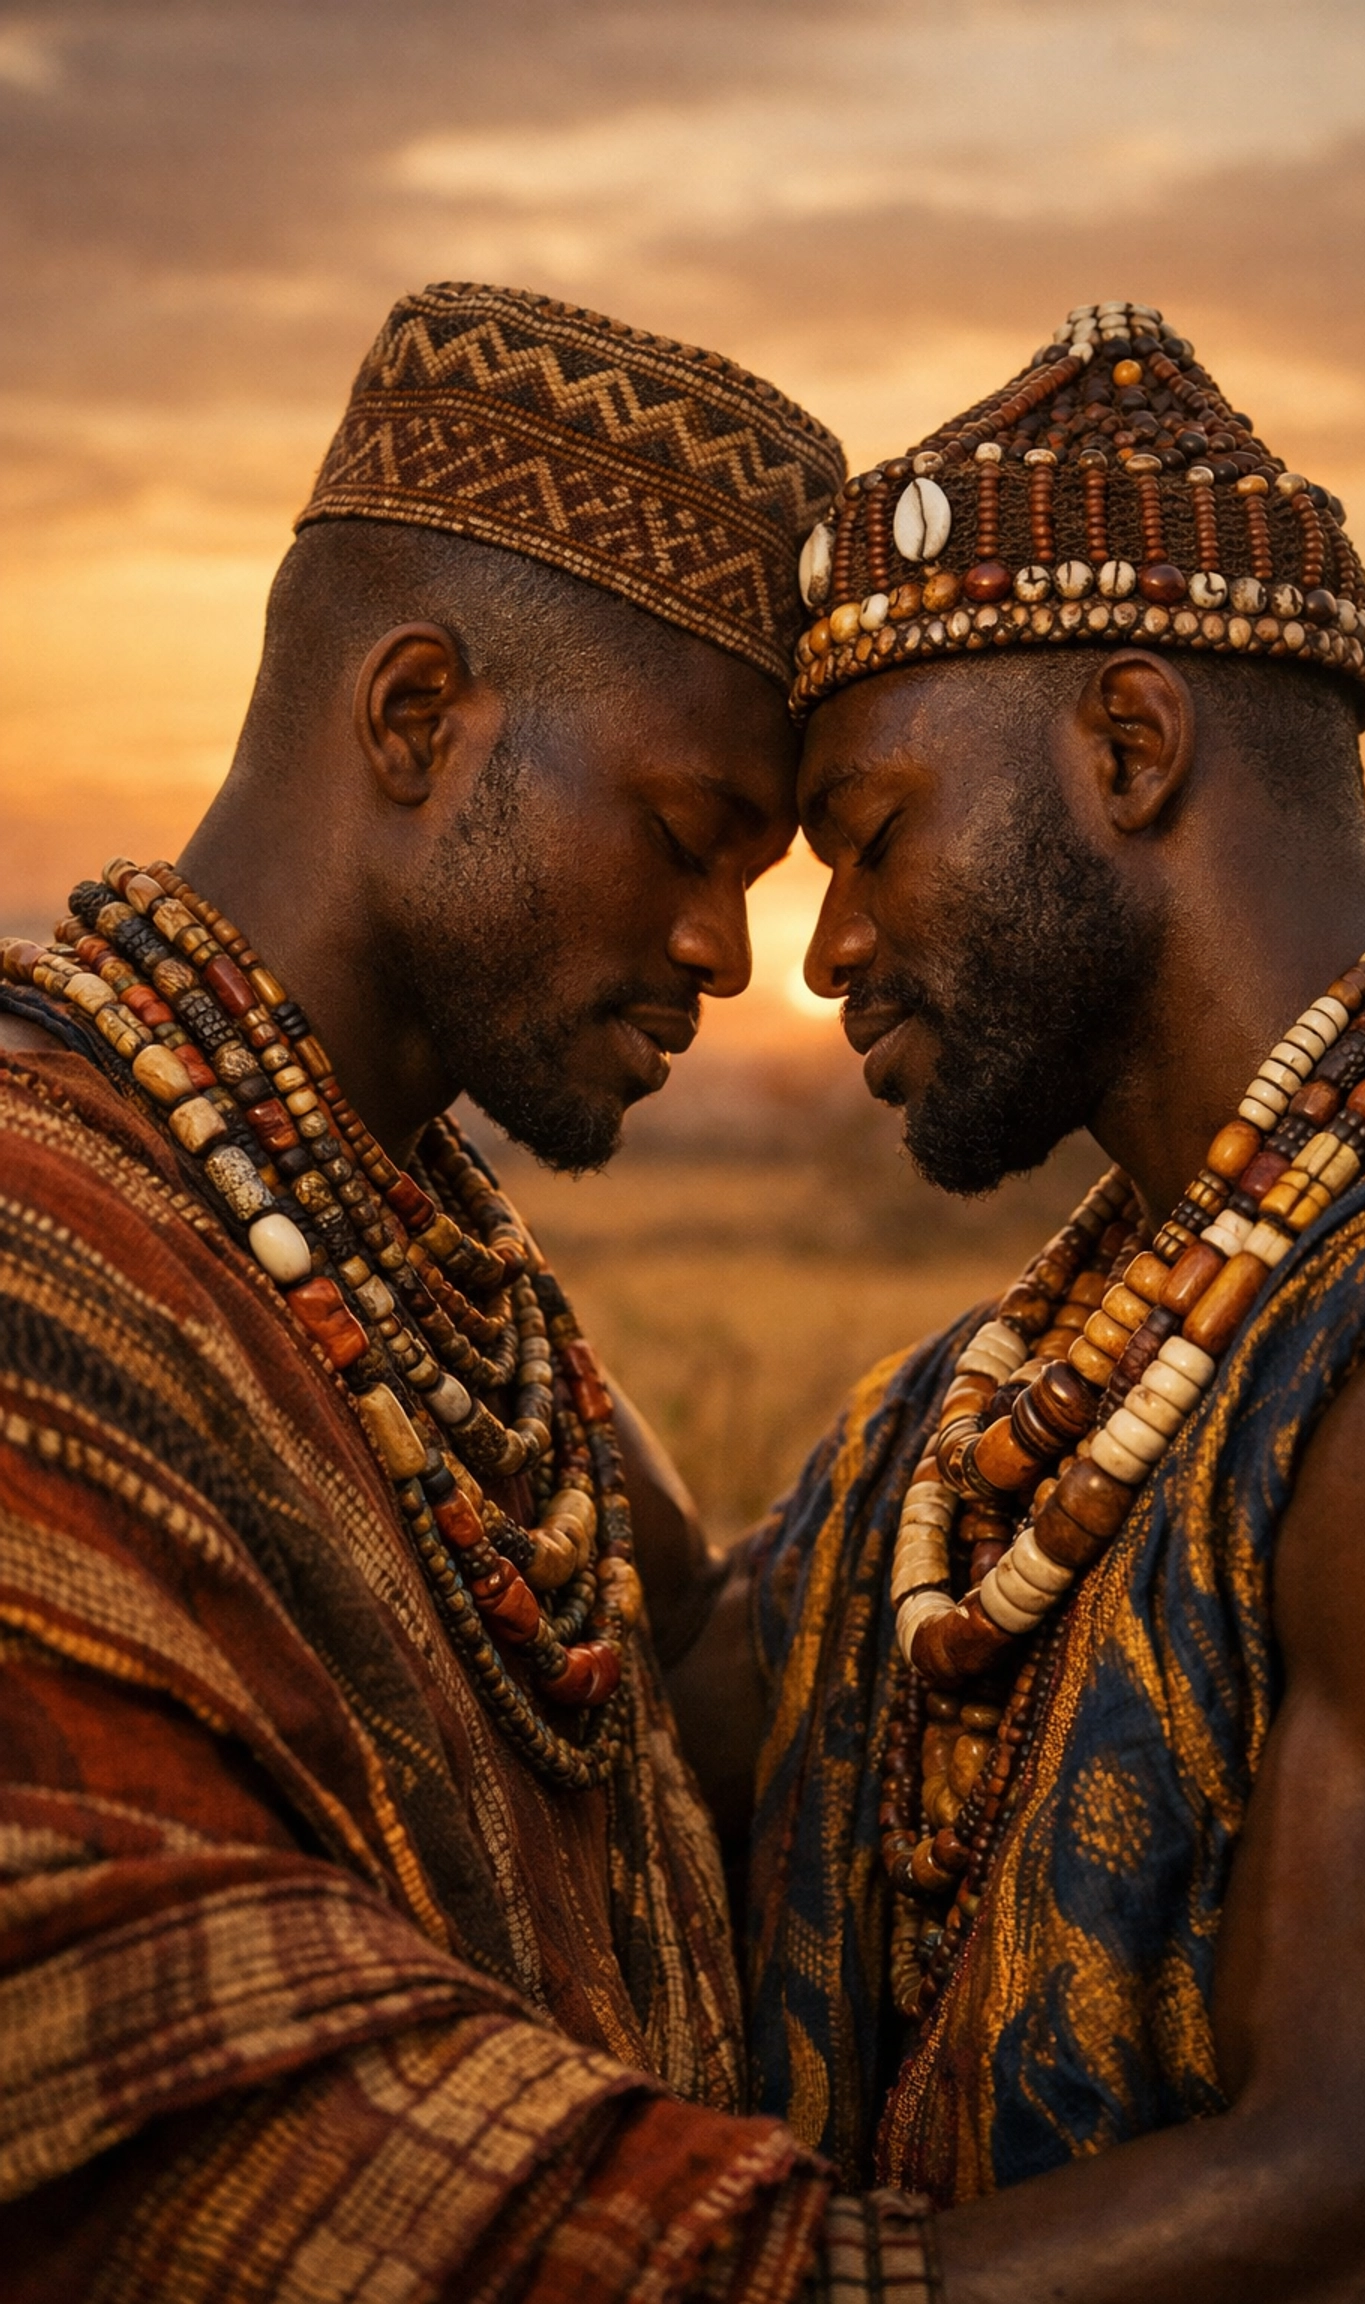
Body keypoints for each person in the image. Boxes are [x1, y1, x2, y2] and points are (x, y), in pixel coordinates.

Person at [0, 281, 894, 2302]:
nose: (725, 951)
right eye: (689, 836)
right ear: (417, 719)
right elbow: (186, 2116)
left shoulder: (439, 1278)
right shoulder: (42, 1256)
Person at [675, 301, 1365, 2296]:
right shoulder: (992, 1407)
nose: (831, 953)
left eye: (870, 836)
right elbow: (658, 1690)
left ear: (1130, 748)